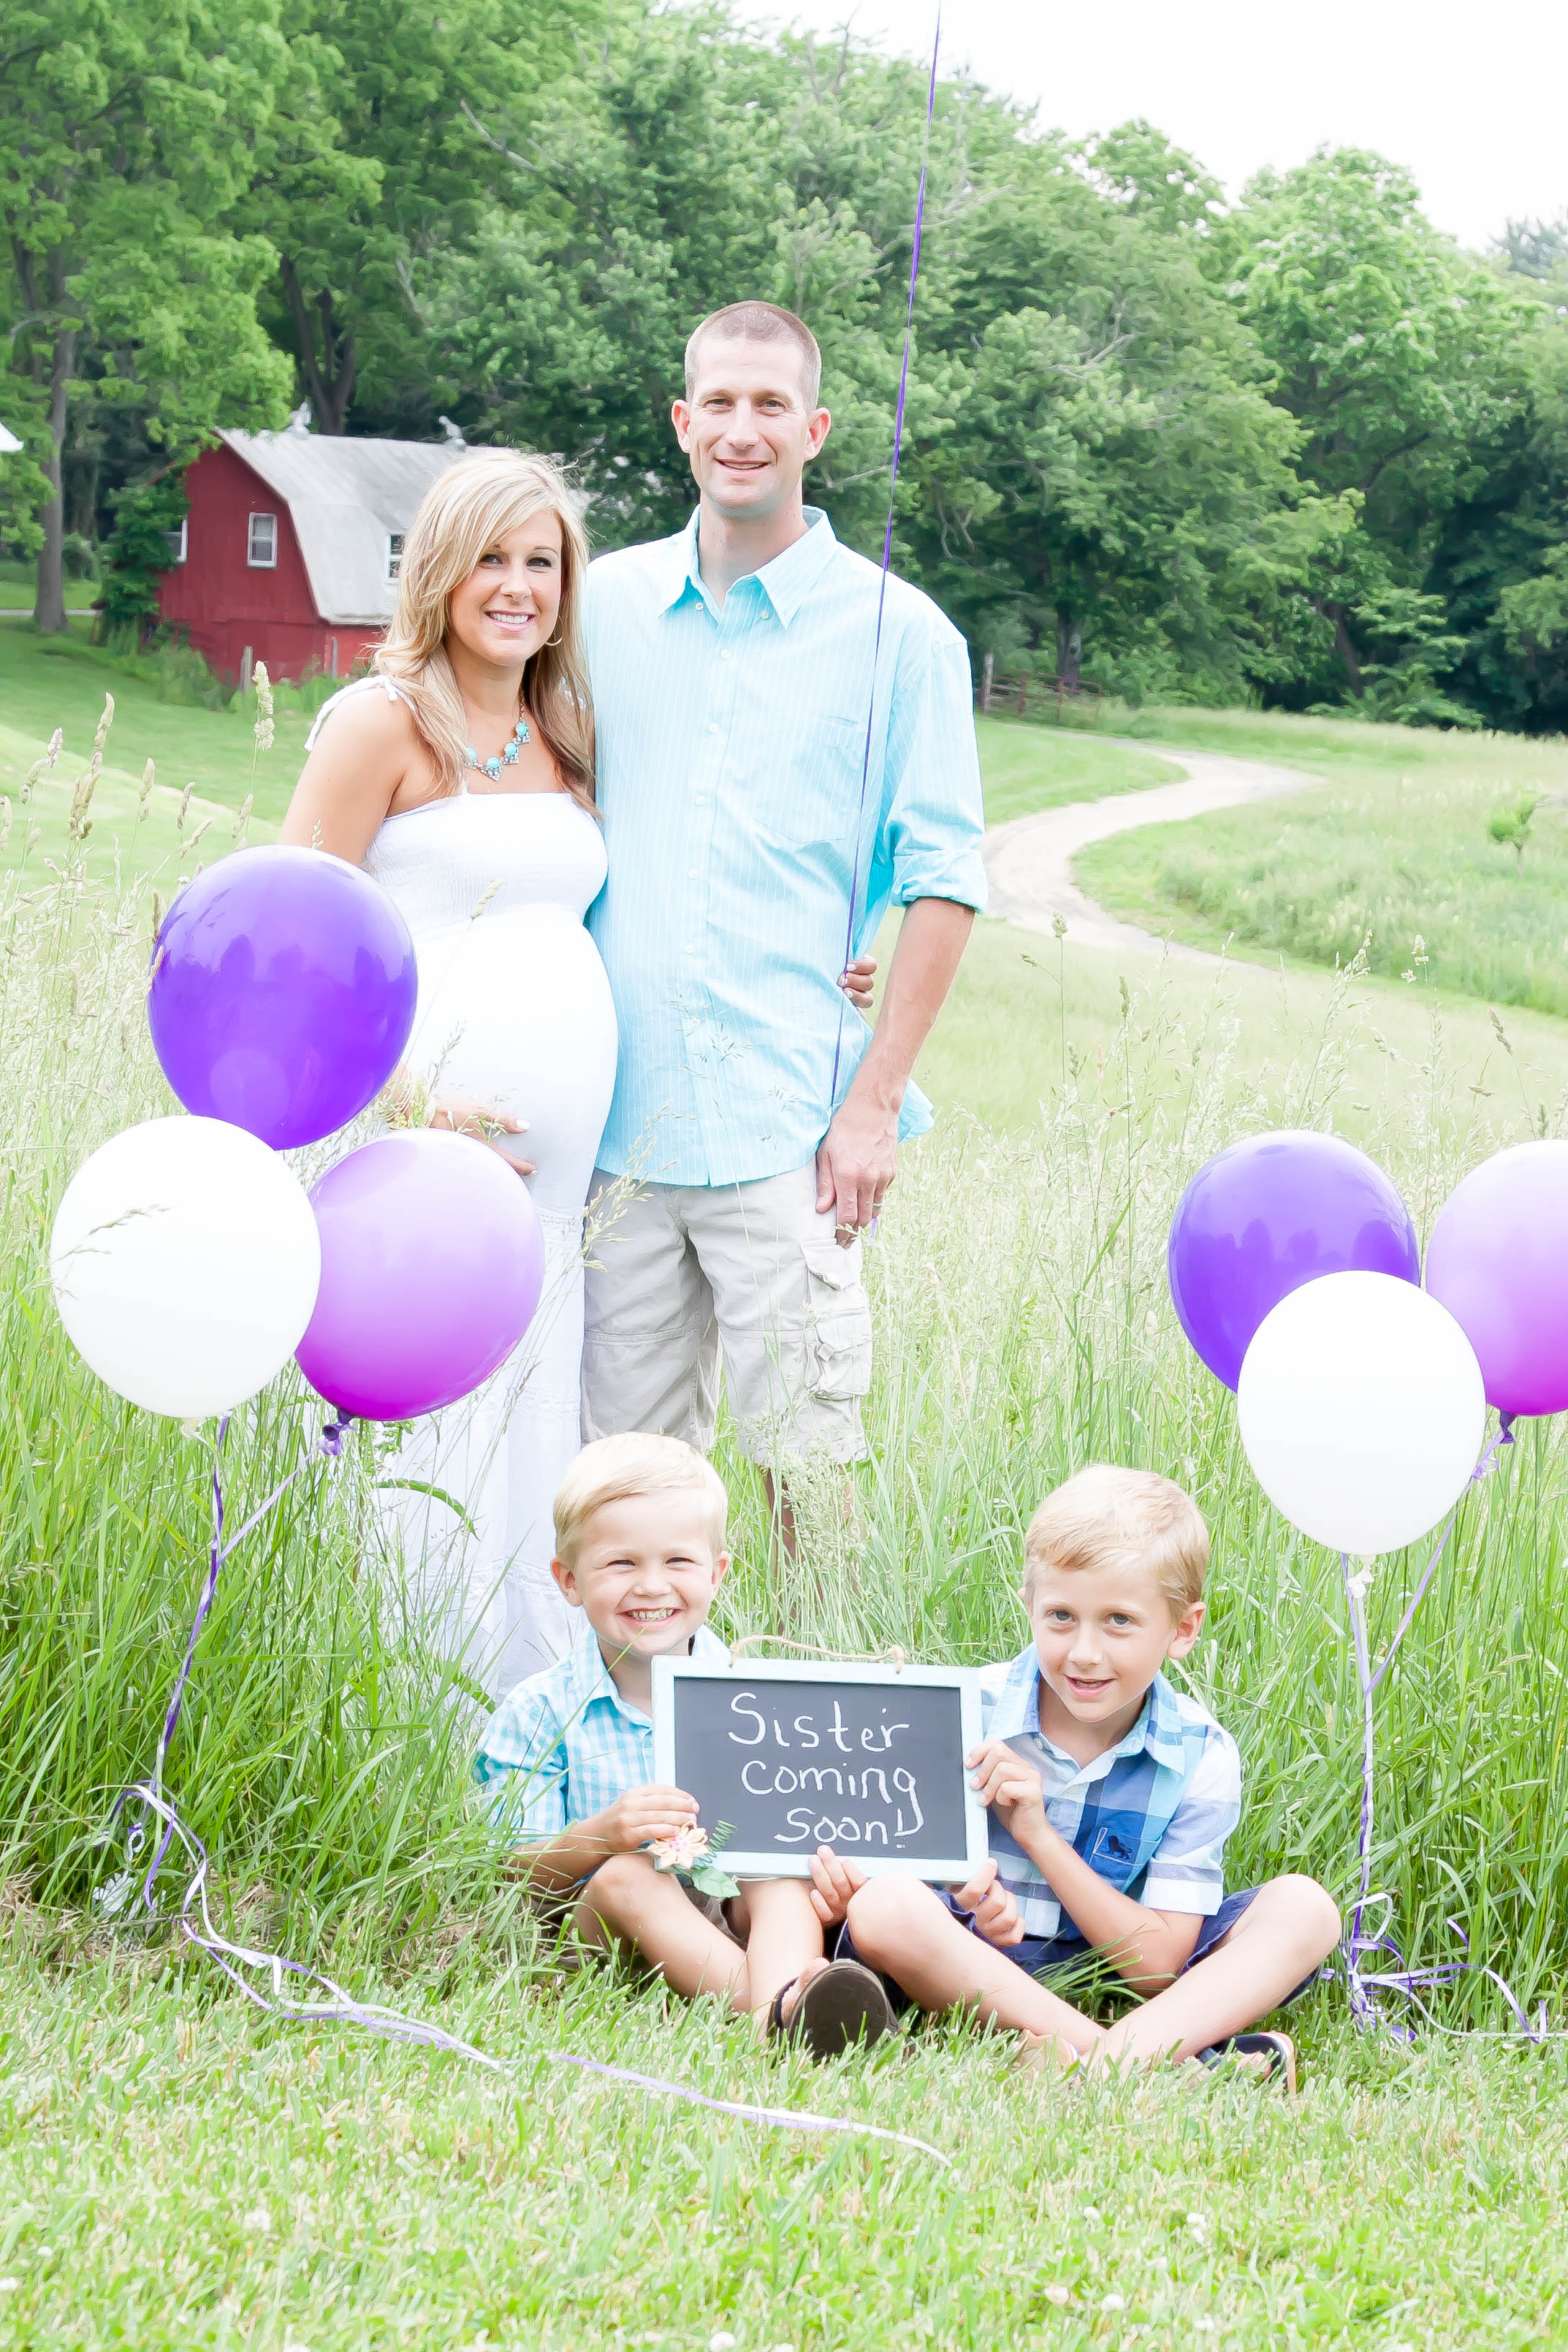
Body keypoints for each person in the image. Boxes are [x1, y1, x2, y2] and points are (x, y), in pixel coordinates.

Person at [580, 302, 987, 1526]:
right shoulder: (597, 607)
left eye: (769, 407)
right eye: (718, 403)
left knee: (811, 1496)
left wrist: (869, 1110)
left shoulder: (900, 635)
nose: (741, 429)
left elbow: (945, 877)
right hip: (618, 1136)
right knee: (623, 1505)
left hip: (789, 1136)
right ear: (680, 422)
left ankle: (817, 1697)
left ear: (813, 430)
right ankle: (640, 1719)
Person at [280, 451, 616, 1696]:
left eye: (541, 562)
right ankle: (397, 1700)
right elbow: (291, 948)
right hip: (418, 1155)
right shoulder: (382, 720)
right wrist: (406, 1100)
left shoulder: (561, 730)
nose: (516, 587)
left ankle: (520, 1706)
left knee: (526, 1423)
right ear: (439, 567)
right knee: (427, 1429)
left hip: (554, 1194)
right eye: (491, 557)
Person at [806, 1467, 1343, 2090]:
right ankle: (1155, 2067)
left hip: (1115, 1967)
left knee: (1306, 1909)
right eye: (1061, 1615)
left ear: (1183, 1629)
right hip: (972, 1955)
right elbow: (899, 1889)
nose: (1085, 1651)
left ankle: (1094, 2063)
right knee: (883, 1907)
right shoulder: (963, 1710)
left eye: (1119, 1620)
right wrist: (928, 1897)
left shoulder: (1199, 1752)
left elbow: (1157, 1965)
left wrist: (1037, 1835)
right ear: (1029, 1606)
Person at [475, 1433, 1009, 2050]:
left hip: (730, 1919)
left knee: (777, 1876)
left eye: (677, 1562)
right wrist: (604, 1831)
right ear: (569, 1580)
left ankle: (785, 2019)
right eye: (621, 1563)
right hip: (603, 1927)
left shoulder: (756, 1699)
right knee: (630, 1874)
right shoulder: (540, 1712)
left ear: (717, 1572)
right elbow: (513, 1874)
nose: (651, 1586)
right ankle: (783, 2014)